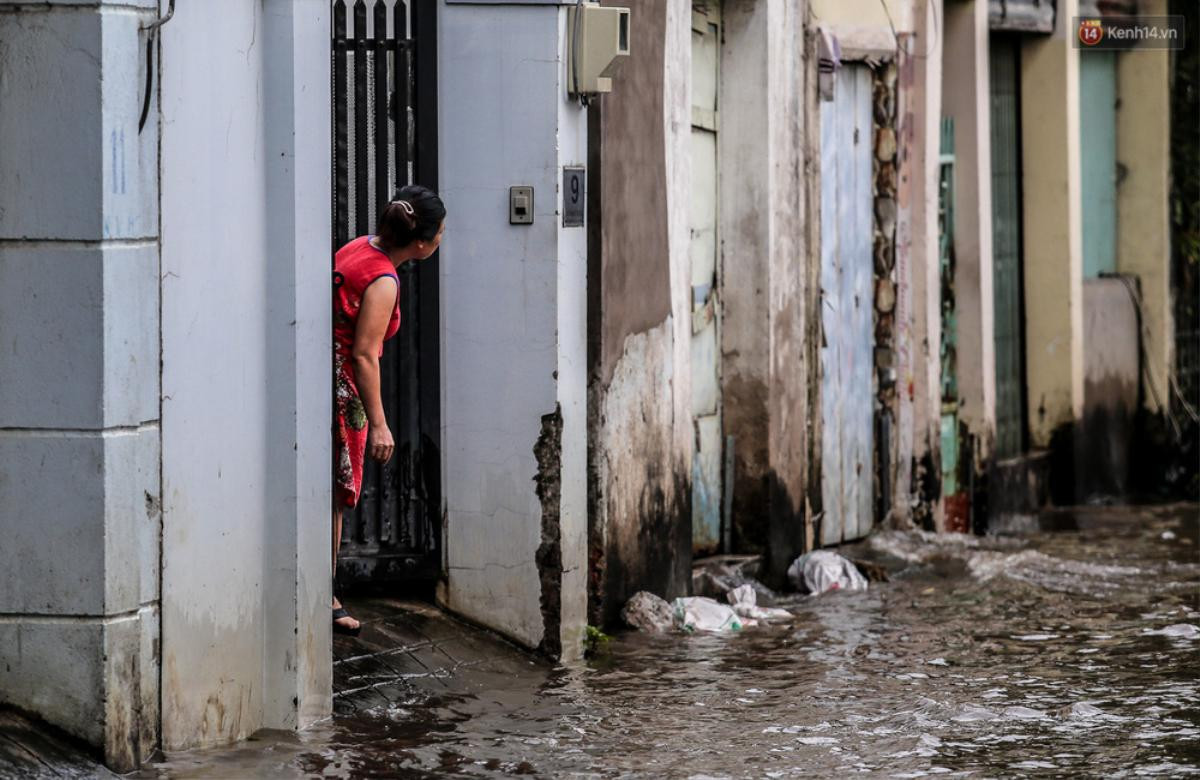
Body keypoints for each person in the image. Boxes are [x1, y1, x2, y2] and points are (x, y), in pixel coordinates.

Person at [332, 185, 445, 635]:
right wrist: (378, 424)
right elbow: (363, 354)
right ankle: (327, 596)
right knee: (337, 495)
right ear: (421, 244)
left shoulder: (358, 246)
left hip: (324, 375)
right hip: (342, 388)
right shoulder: (384, 281)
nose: (441, 241)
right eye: (440, 233)